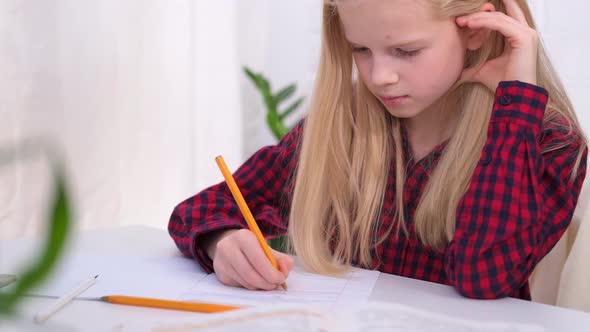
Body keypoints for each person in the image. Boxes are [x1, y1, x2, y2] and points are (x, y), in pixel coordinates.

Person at [168, 0, 588, 300]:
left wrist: (515, 103)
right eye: (361, 50)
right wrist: (221, 240)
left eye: (406, 51)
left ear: (477, 30)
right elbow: (199, 210)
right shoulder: (341, 127)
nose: (380, 76)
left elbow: (483, 277)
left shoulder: (548, 144)